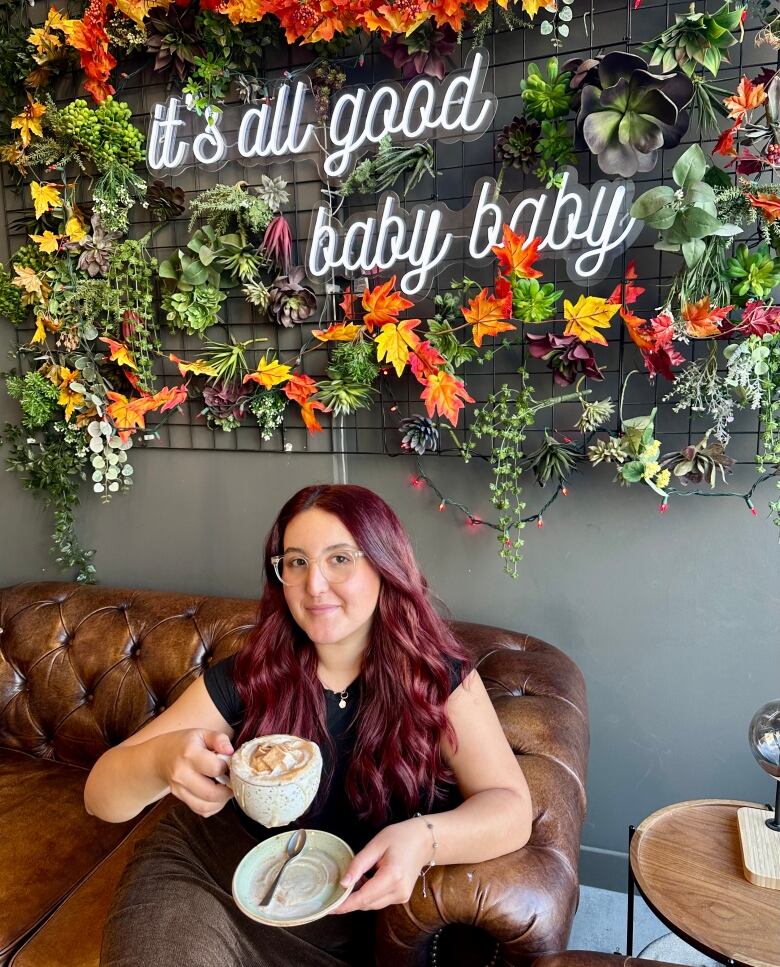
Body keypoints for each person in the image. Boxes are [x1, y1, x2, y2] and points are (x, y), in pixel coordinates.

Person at [85, 484, 532, 967]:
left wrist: (424, 839)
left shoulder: (438, 679)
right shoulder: (247, 675)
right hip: (210, 881)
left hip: (350, 915)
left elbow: (509, 807)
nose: (314, 585)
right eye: (296, 562)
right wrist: (160, 759)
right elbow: (101, 797)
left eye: (340, 559)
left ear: (385, 566)